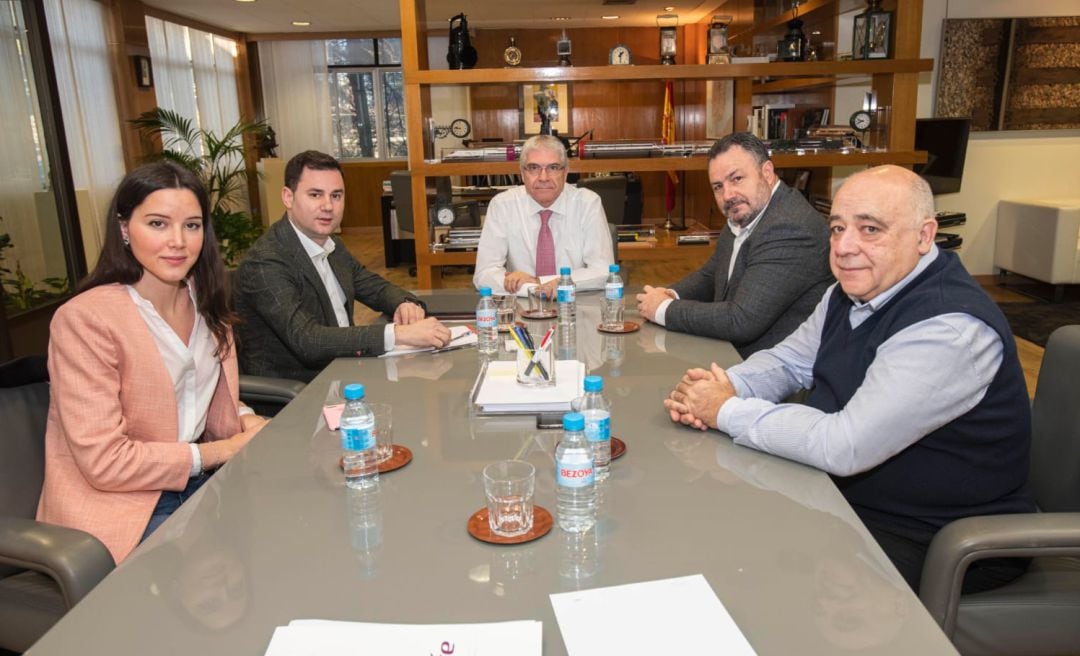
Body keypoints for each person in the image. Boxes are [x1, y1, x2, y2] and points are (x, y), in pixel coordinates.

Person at [665, 165, 1035, 593]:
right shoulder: (850, 289)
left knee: (751, 576)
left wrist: (724, 409)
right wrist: (728, 384)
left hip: (934, 536)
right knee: (705, 527)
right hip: (845, 498)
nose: (844, 247)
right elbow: (790, 361)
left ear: (925, 235)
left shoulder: (948, 329)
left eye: (870, 229)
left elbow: (844, 445)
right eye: (837, 229)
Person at [37, 162, 268, 564]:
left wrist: (244, 415)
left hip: (195, 483)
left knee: (290, 530)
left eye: (192, 225)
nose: (177, 241)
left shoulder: (205, 299)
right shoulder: (86, 320)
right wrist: (222, 451)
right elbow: (106, 463)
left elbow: (193, 391)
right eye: (158, 224)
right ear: (124, 228)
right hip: (122, 504)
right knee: (222, 569)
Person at [233, 150, 450, 382]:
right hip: (301, 393)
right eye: (315, 195)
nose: (328, 206)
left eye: (336, 195)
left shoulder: (331, 244)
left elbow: (373, 286)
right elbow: (308, 340)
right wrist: (399, 334)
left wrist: (405, 303)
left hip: (346, 371)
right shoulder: (266, 262)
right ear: (288, 197)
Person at [636, 133, 832, 357]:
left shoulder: (789, 227)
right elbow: (711, 275)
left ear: (767, 173)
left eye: (737, 179)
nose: (728, 195)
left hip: (777, 375)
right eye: (718, 186)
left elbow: (741, 320)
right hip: (732, 355)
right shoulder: (747, 211)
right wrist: (670, 294)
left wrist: (662, 309)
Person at [473, 134, 614, 295]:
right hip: (521, 307)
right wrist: (522, 284)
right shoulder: (502, 205)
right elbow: (484, 274)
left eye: (553, 168)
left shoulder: (588, 203)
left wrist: (543, 282)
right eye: (534, 168)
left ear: (566, 172)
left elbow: (603, 271)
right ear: (522, 173)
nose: (543, 178)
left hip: (574, 304)